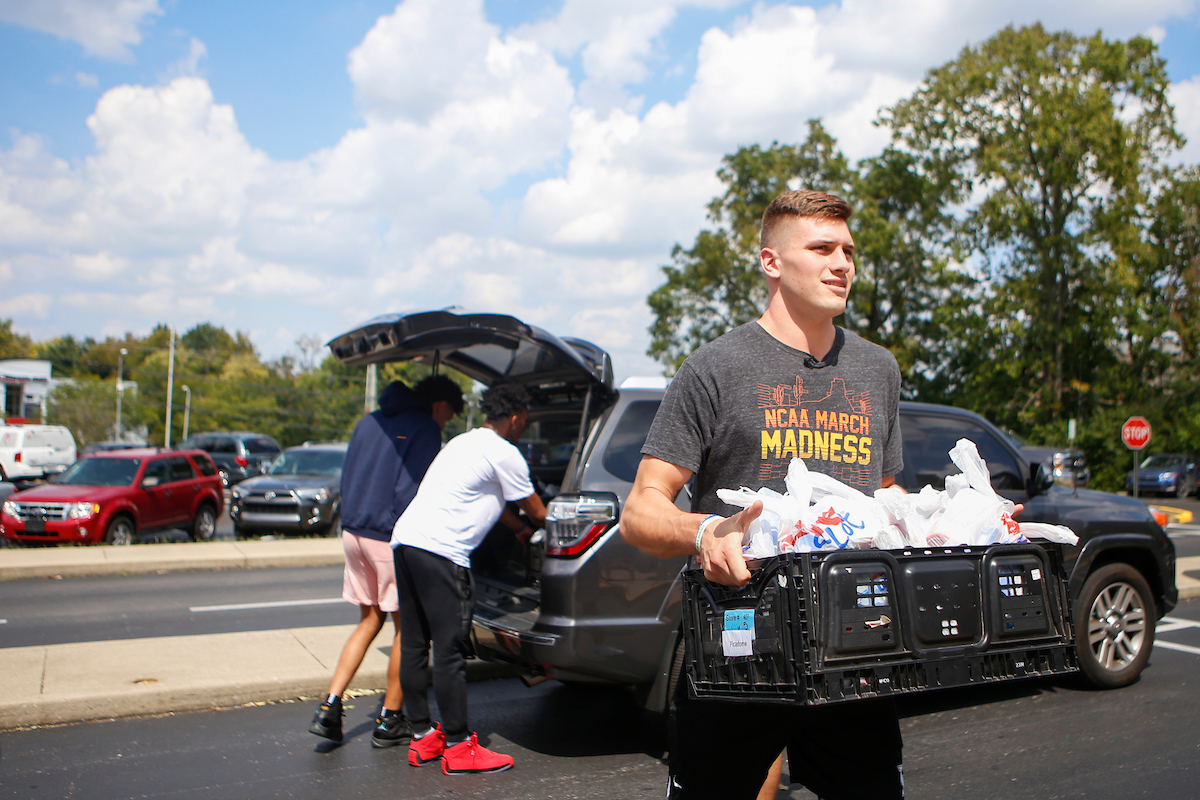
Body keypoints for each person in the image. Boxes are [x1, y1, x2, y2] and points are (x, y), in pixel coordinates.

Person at [622, 189, 906, 800]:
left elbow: (887, 498)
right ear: (772, 262)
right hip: (738, 645)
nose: (842, 264)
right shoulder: (715, 368)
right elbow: (642, 508)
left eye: (849, 250)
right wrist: (704, 531)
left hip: (855, 649)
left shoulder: (878, 369)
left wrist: (958, 522)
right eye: (822, 248)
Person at [391, 382, 546, 775]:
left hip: (406, 541)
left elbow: (486, 498)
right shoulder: (505, 453)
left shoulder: (463, 442)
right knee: (449, 651)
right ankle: (459, 746)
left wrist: (516, 530)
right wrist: (545, 523)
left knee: (413, 644)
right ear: (514, 418)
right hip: (444, 553)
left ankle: (423, 738)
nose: (523, 428)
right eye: (524, 421)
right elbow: (538, 512)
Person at [308, 375, 464, 748]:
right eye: (449, 416)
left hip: (354, 531)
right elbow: (415, 489)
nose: (445, 424)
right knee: (408, 631)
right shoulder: (424, 427)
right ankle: (390, 719)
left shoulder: (370, 420)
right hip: (387, 537)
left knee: (369, 620)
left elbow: (347, 475)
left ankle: (329, 708)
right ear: (440, 405)